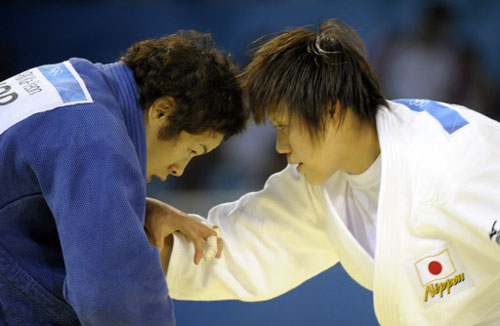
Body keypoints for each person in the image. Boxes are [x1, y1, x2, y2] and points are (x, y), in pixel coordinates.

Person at [147, 19, 500, 325]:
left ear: (332, 112)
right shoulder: (323, 181)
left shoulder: (458, 159)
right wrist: (135, 234)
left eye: (285, 126)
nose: (280, 147)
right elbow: (239, 248)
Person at [0, 30, 246, 325]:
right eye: (192, 150)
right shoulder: (94, 138)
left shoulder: (73, 82)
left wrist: (132, 206)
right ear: (163, 111)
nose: (180, 169)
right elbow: (113, 295)